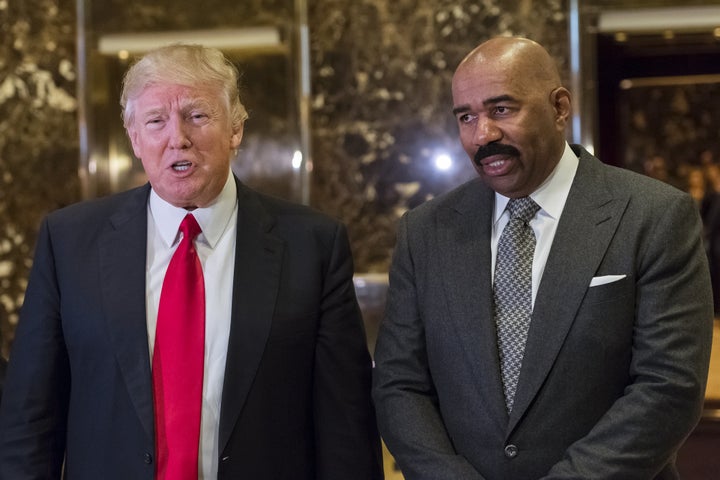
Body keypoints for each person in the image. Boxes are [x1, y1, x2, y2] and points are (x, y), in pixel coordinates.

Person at [0, 44, 383, 480]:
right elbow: (30, 418)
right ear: (135, 139)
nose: (177, 138)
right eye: (156, 121)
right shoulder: (68, 241)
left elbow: (345, 424)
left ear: (235, 129)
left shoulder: (312, 244)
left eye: (198, 116)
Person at [372, 36, 714, 479]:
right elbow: (400, 384)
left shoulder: (654, 215)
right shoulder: (426, 231)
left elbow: (669, 388)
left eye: (501, 109)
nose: (483, 135)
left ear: (559, 108)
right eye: (466, 117)